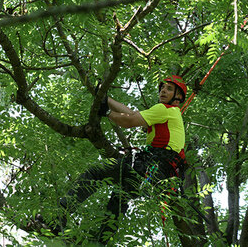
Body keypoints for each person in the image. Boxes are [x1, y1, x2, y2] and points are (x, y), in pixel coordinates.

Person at [46, 75, 187, 243]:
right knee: (119, 199)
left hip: (149, 166)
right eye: (163, 87)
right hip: (156, 175)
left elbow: (129, 121)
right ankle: (100, 242)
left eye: (169, 89)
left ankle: (58, 218)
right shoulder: (169, 113)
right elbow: (132, 113)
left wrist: (106, 112)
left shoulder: (165, 109)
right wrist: (105, 98)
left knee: (95, 174)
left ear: (178, 98)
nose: (163, 90)